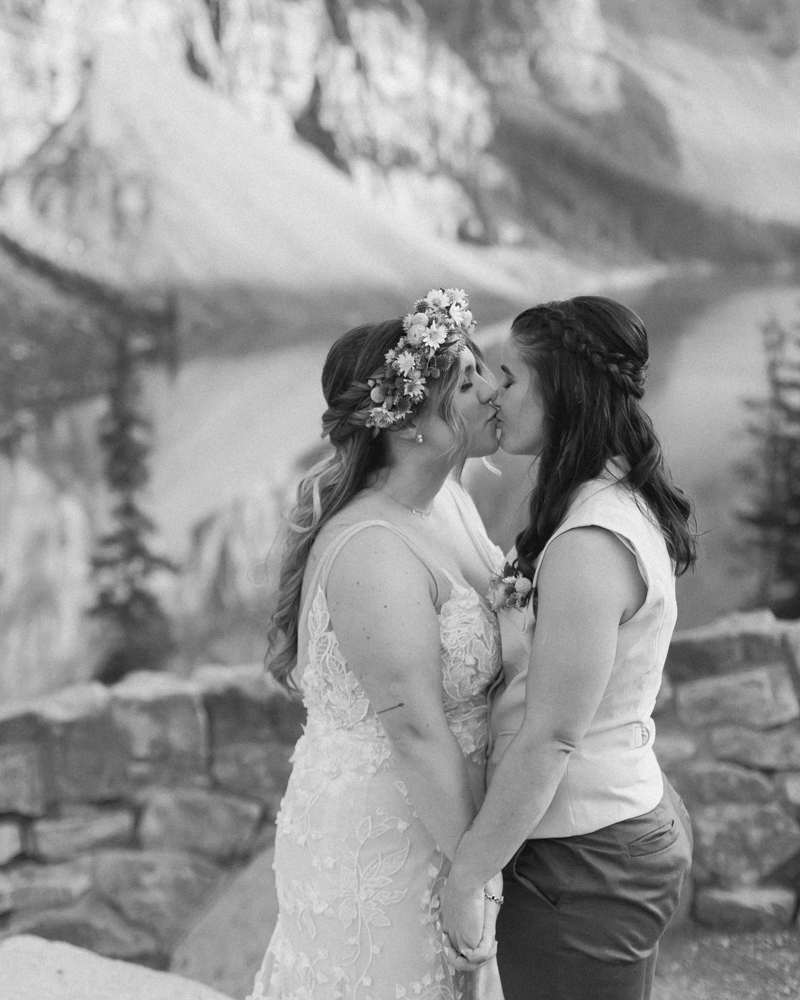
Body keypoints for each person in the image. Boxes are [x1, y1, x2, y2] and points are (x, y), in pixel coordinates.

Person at [247, 289, 505, 1000]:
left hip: (446, 819)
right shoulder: (372, 550)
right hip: (385, 836)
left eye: (483, 372)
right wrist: (477, 878)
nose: (493, 390)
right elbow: (418, 731)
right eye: (466, 382)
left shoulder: (447, 500)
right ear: (408, 422)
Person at [441, 295, 696, 1000]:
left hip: (585, 859)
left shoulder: (589, 540)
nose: (493, 391)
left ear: (565, 392)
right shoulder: (603, 498)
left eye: (510, 376)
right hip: (595, 841)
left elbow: (551, 735)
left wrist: (468, 874)